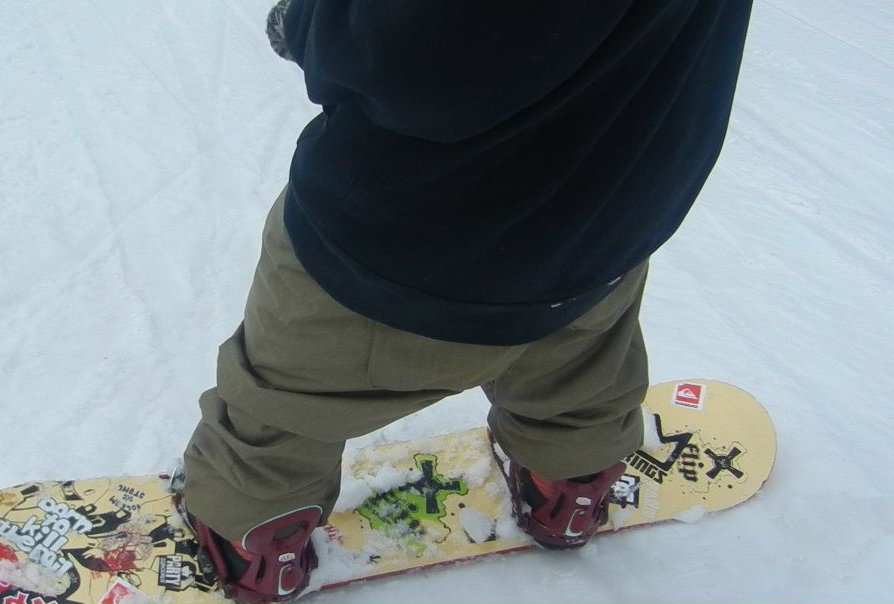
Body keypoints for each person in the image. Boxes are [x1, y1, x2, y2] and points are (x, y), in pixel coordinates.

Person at [178, 1, 753, 602]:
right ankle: (569, 491)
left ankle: (257, 541)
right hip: (613, 204)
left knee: (288, 401)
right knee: (578, 368)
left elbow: (418, 55)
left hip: (415, 231)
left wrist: (312, 22)